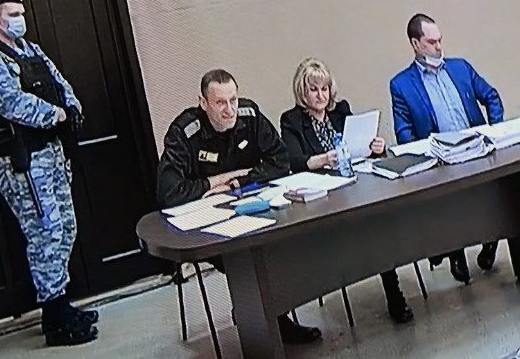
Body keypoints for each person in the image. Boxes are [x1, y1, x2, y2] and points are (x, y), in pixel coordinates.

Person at [0, 0, 98, 346]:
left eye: (21, 13)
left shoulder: (29, 50)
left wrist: (72, 107)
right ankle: (55, 317)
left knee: (65, 227)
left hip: (50, 152)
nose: (20, 19)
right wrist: (57, 115)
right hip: (20, 160)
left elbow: (58, 82)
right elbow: (11, 102)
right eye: (13, 13)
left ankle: (60, 304)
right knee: (45, 231)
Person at [157, 68, 322, 344]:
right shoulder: (185, 132)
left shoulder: (250, 115)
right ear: (203, 103)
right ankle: (260, 320)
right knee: (248, 257)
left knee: (280, 243)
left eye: (233, 100)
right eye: (220, 103)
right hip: (207, 223)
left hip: (251, 208)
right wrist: (212, 183)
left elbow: (280, 161)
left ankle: (269, 316)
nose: (230, 109)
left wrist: (239, 181)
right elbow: (169, 193)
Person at [280, 57, 414, 324]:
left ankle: (394, 293)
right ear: (302, 92)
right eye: (313, 89)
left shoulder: (340, 111)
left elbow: (358, 146)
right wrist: (322, 160)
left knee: (378, 228)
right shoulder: (291, 120)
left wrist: (375, 147)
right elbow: (292, 161)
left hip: (354, 188)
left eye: (324, 88)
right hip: (322, 198)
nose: (321, 95)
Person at [389, 13, 504, 284]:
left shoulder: (460, 68)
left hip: (477, 150)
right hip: (442, 162)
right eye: (431, 42)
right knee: (450, 207)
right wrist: (427, 156)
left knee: (500, 197)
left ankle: (491, 241)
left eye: (440, 40)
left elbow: (491, 96)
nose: (439, 47)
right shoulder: (401, 85)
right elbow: (404, 132)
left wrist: (495, 131)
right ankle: (455, 252)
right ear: (415, 44)